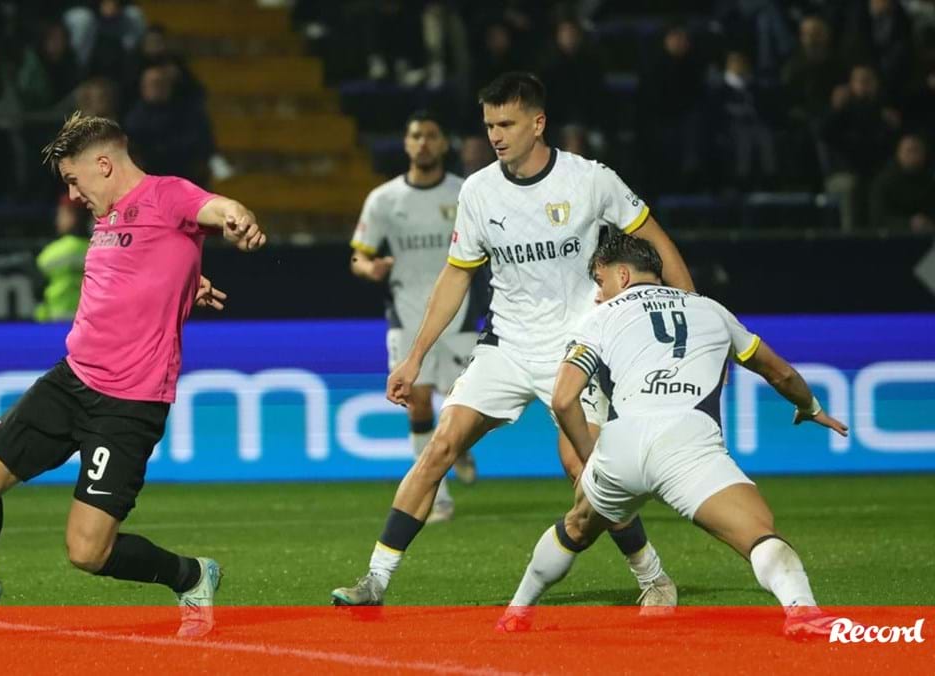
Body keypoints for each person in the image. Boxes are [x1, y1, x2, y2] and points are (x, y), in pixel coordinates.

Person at [331, 72, 694, 608]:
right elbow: (456, 276)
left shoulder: (590, 180)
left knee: (585, 467)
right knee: (439, 448)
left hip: (578, 347)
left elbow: (653, 237)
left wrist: (695, 313)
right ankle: (375, 581)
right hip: (505, 345)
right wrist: (414, 358)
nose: (496, 135)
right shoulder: (478, 191)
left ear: (537, 123)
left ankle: (653, 577)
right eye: (489, 125)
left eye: (507, 123)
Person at [0, 112, 263, 638]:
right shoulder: (108, 214)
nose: (73, 196)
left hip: (130, 404)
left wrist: (237, 216)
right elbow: (138, 275)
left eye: (74, 181)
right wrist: (187, 284)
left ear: (103, 164)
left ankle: (190, 575)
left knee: (87, 552)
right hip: (71, 380)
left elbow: (214, 208)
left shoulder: (167, 195)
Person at [496, 234, 849, 638]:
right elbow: (780, 373)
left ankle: (517, 611)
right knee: (758, 533)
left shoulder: (600, 318)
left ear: (623, 275)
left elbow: (562, 399)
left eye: (600, 280)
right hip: (688, 445)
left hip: (622, 442)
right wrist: (811, 408)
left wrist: (594, 459)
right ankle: (803, 611)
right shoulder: (712, 310)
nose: (598, 294)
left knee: (577, 524)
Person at [350, 111, 484, 524]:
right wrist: (367, 268)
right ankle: (437, 497)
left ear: (443, 144)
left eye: (430, 135)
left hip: (460, 314)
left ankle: (458, 446)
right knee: (418, 401)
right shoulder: (384, 199)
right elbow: (359, 253)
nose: (422, 143)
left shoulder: (467, 193)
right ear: (406, 145)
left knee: (462, 404)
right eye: (415, 136)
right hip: (407, 312)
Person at [34, 195, 91, 322]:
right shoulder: (97, 249)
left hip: (54, 322)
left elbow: (38, 284)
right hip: (87, 322)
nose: (57, 219)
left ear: (72, 216)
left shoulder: (54, 252)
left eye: (61, 214)